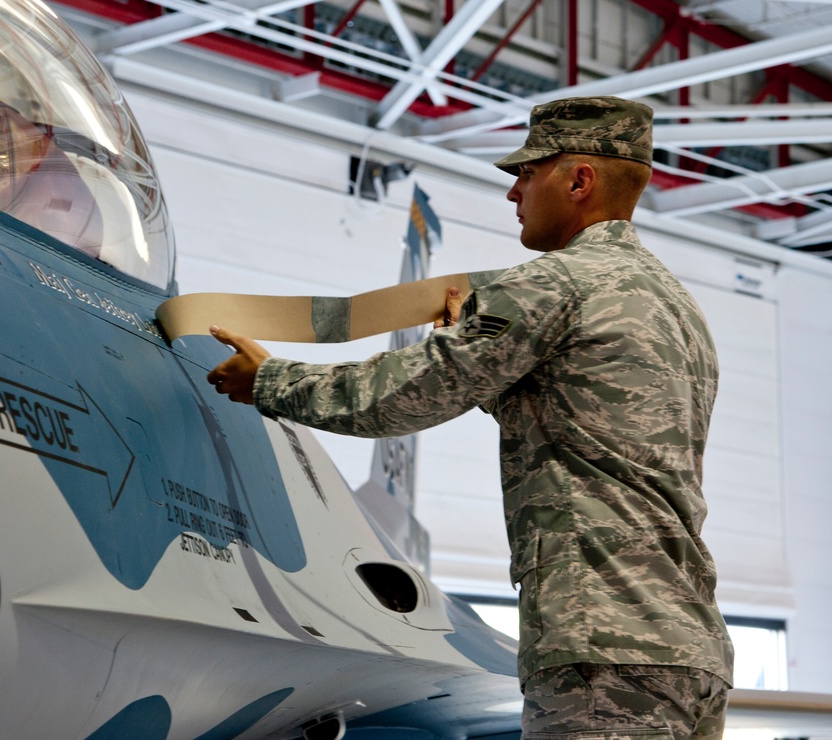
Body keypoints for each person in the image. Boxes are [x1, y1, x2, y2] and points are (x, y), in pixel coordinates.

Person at [206, 96, 734, 738]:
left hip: (601, 645)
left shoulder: (554, 283)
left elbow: (397, 398)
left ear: (579, 181)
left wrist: (269, 380)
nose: (513, 192)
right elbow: (584, 425)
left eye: (527, 174)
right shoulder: (676, 308)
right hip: (689, 649)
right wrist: (475, 355)